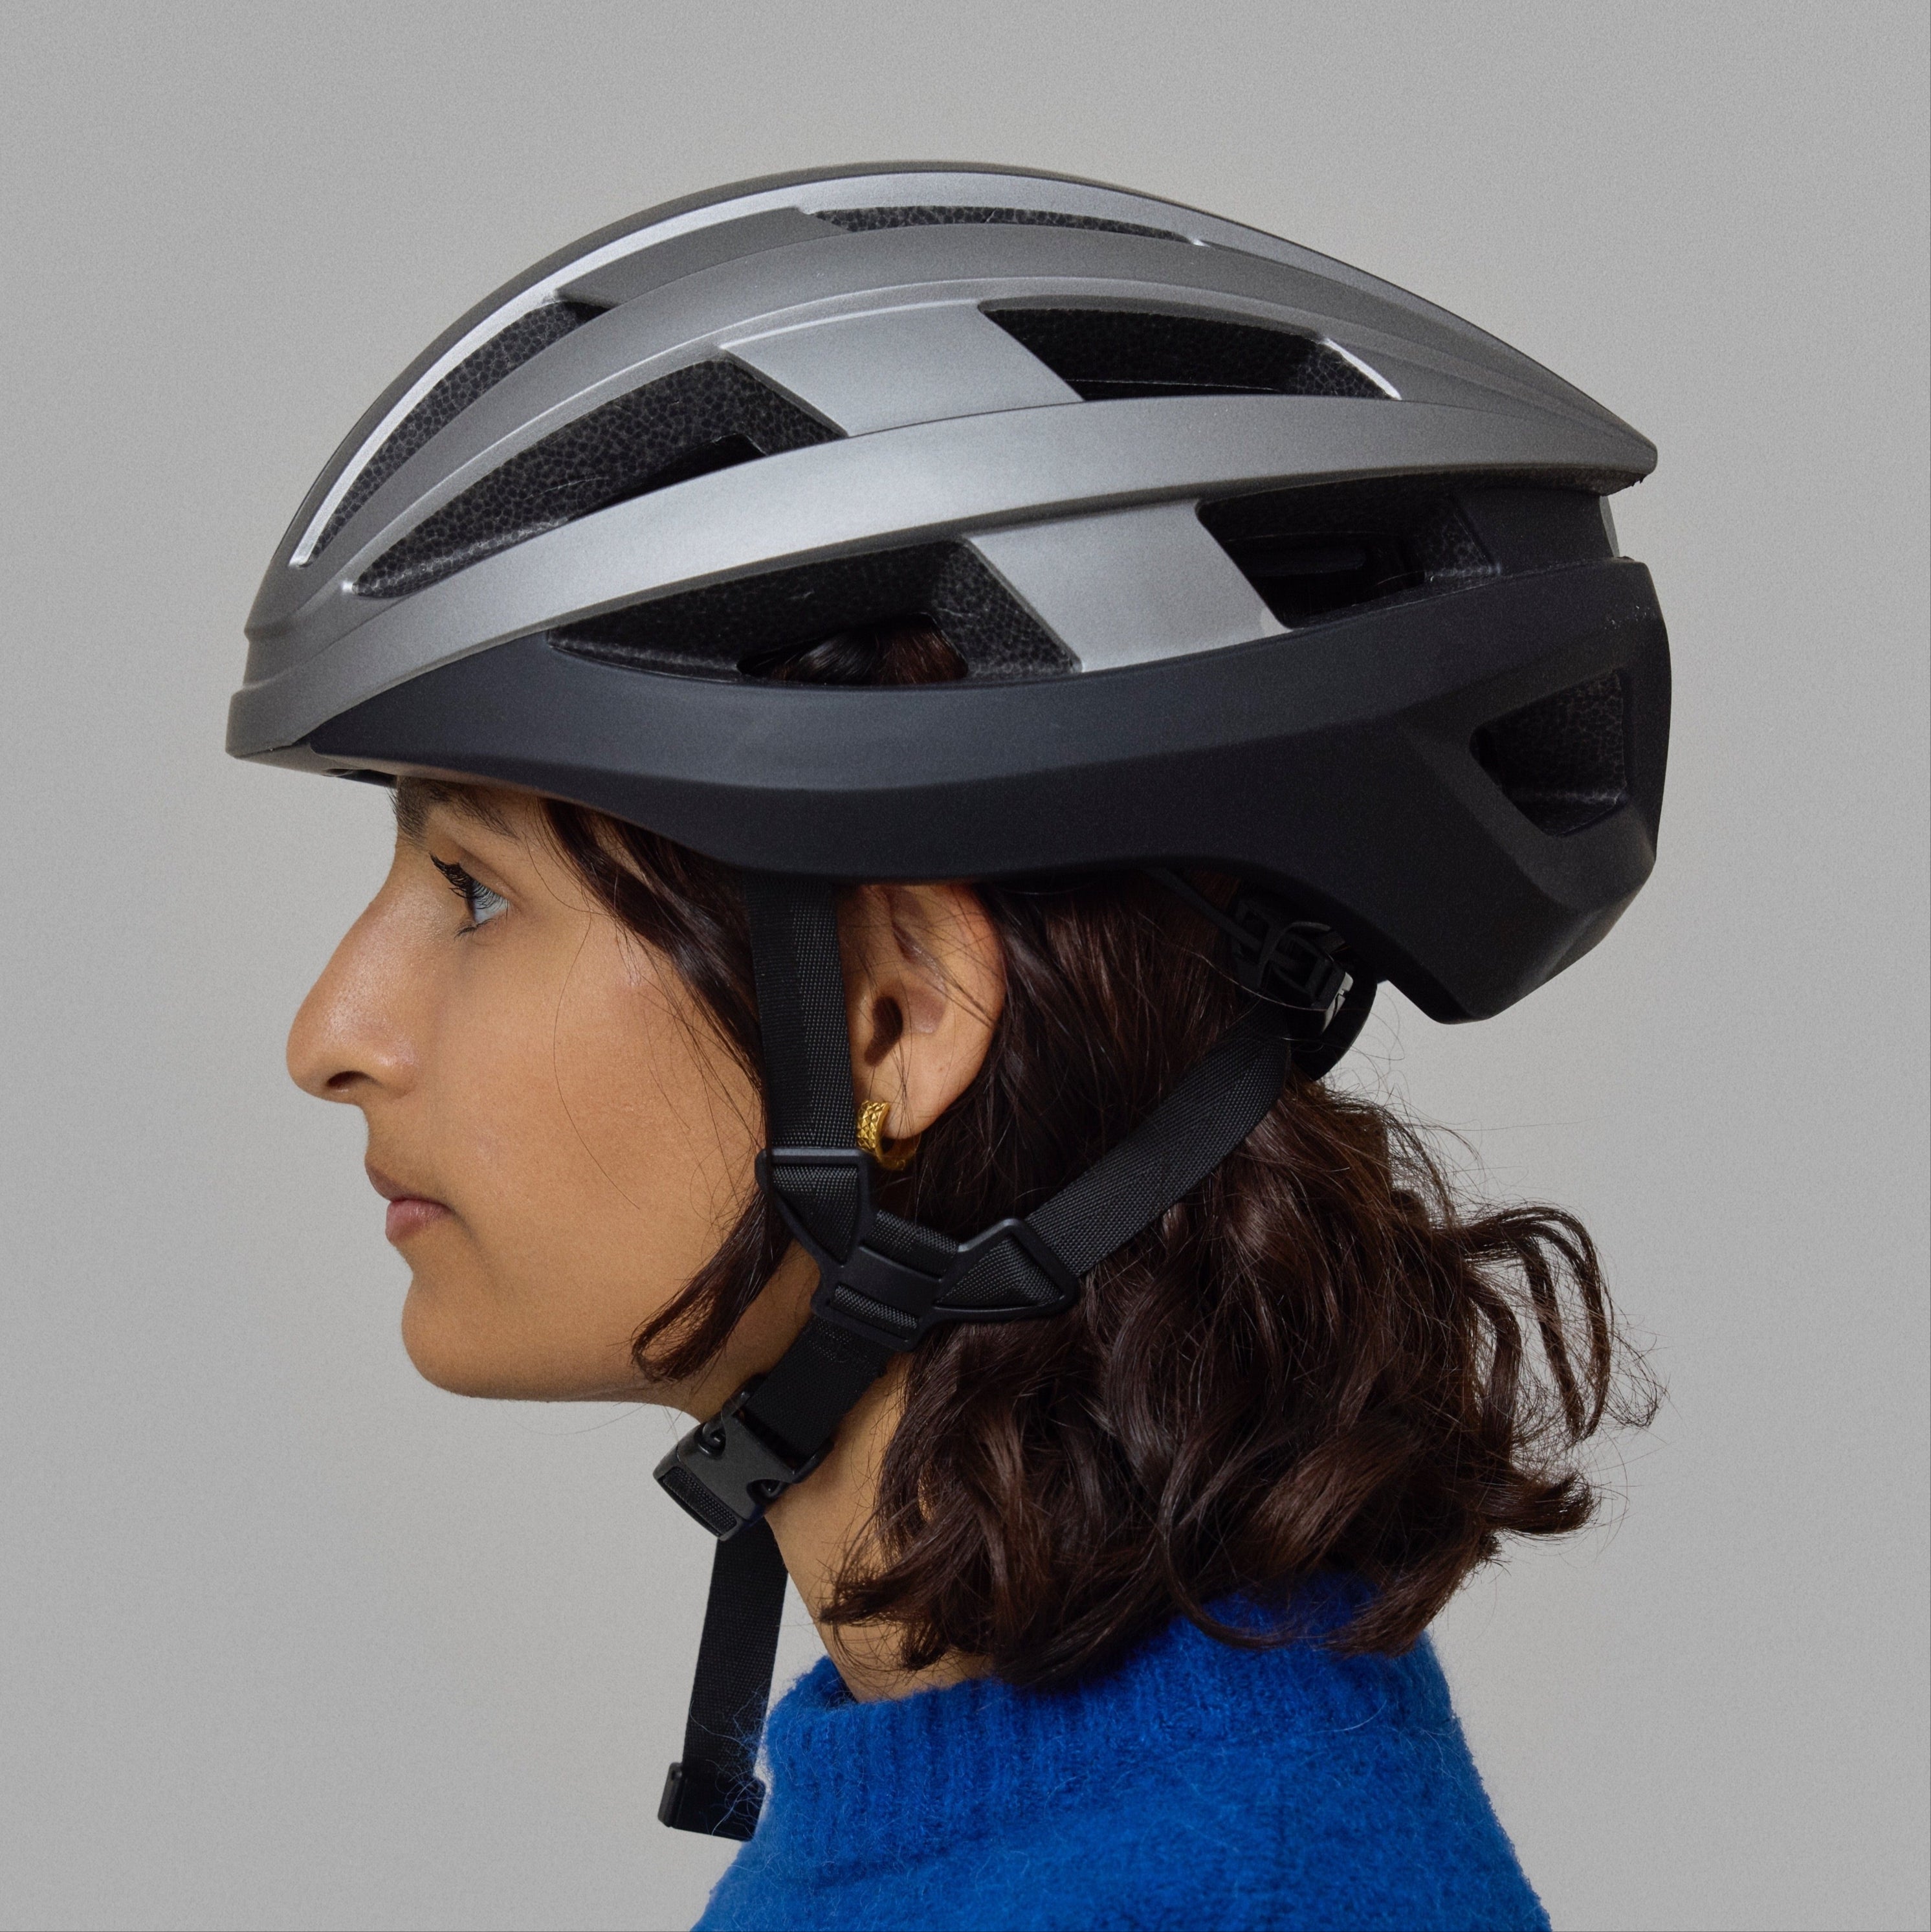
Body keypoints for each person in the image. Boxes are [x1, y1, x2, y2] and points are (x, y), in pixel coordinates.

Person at [237, 164, 1668, 1931]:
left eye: (471, 886)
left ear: (895, 1015)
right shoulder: (978, 1819)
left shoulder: (1213, 1887)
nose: (331, 1034)